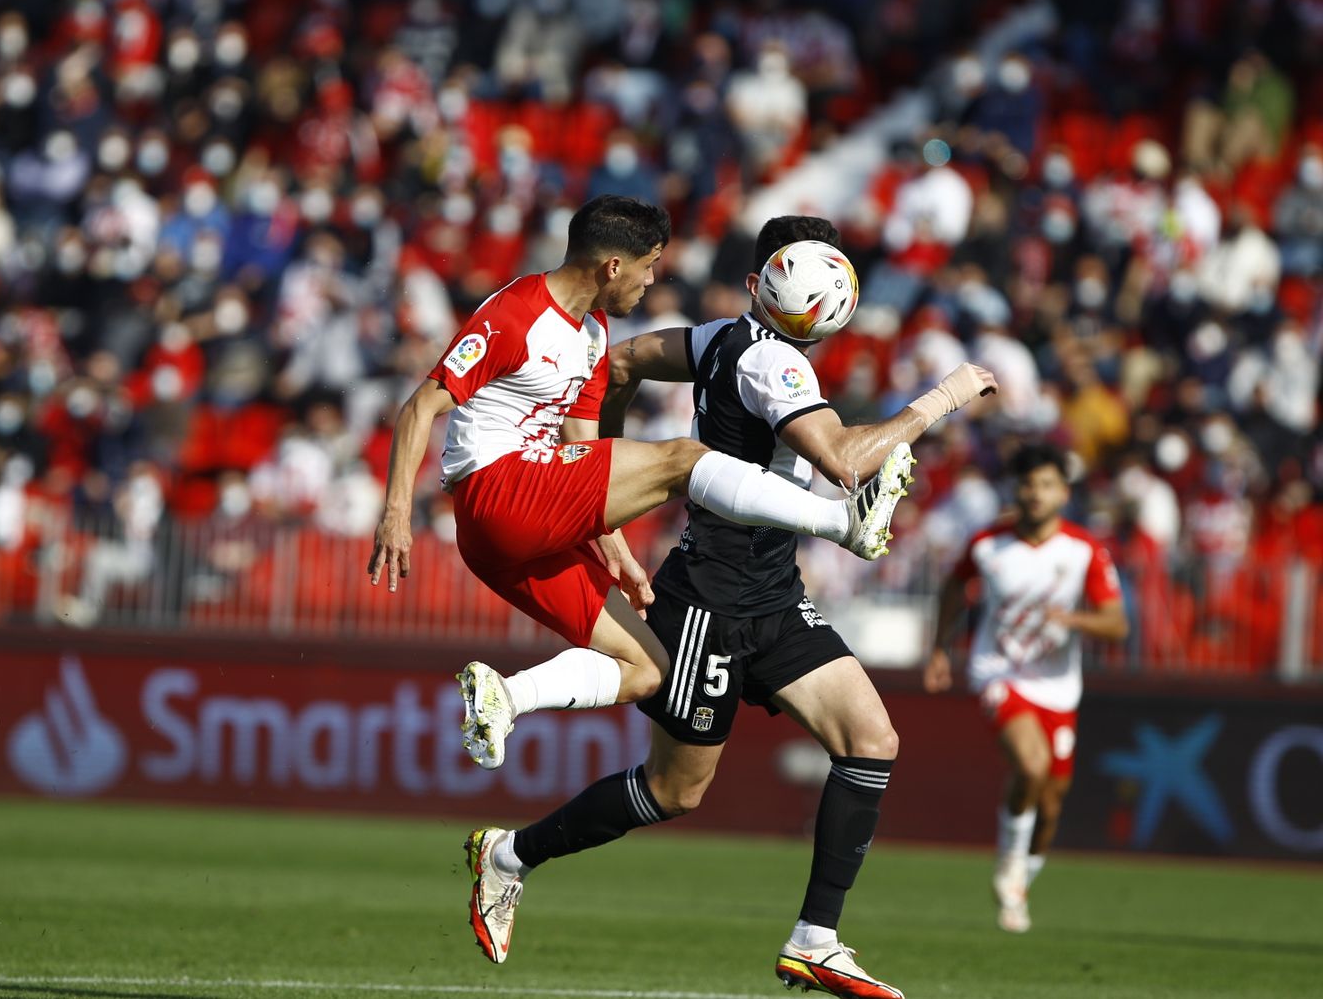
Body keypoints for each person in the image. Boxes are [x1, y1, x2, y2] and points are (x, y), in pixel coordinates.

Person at [462, 215, 999, 999]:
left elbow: (622, 362)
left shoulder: (717, 336)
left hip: (774, 593)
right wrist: (941, 399)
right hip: (710, 598)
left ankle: (816, 940)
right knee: (675, 792)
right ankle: (509, 856)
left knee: (871, 739)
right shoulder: (773, 364)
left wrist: (595, 467)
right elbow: (846, 462)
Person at [368, 196, 917, 771]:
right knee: (683, 458)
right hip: (497, 490)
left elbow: (585, 448)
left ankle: (506, 696)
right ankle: (841, 521)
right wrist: (397, 514)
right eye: (648, 265)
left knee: (648, 670)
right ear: (612, 266)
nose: (651, 281)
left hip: (513, 534)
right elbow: (418, 408)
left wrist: (615, 547)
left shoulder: (593, 333)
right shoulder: (515, 315)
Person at [923, 443, 1127, 933]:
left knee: (1052, 799)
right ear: (1016, 489)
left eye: (1047, 484)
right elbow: (954, 587)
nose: (1036, 494)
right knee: (1030, 765)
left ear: (1064, 491)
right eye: (1028, 484)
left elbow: (1117, 625)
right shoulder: (988, 543)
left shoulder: (1084, 550)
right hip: (999, 671)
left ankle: (1019, 883)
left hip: (1057, 685)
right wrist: (939, 649)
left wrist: (1072, 619)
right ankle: (1009, 863)